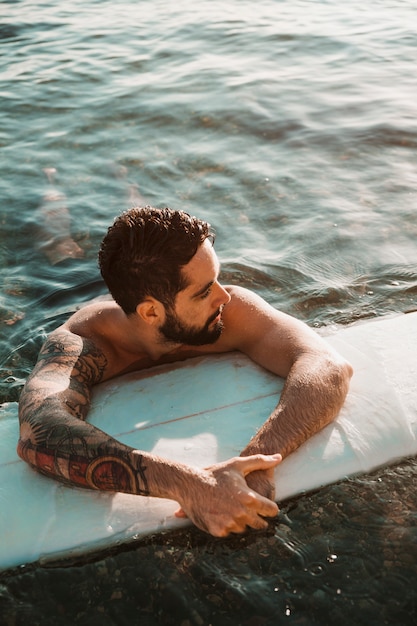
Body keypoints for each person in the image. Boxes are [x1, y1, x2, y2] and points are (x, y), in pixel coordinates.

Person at [17, 206, 353, 537]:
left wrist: (257, 460)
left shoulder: (231, 312)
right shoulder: (82, 345)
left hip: (136, 292)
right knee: (58, 245)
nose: (224, 296)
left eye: (217, 279)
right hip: (67, 290)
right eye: (205, 290)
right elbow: (40, 429)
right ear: (150, 312)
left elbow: (327, 367)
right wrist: (192, 485)